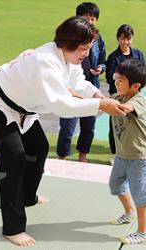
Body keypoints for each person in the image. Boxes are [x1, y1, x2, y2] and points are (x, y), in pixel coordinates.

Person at [0, 16, 128, 247]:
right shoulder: (45, 61)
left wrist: (97, 95)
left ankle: (26, 197)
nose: (86, 53)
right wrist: (101, 105)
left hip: (23, 107)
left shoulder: (67, 58)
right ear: (69, 44)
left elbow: (78, 83)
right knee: (14, 158)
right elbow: (61, 106)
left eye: (88, 48)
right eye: (84, 48)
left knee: (38, 147)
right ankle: (13, 227)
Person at [109, 59, 146, 244]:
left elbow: (127, 109)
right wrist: (75, 95)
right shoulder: (116, 97)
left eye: (121, 80)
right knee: (115, 186)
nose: (116, 83)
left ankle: (143, 232)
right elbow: (98, 100)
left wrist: (108, 105)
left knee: (140, 194)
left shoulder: (138, 99)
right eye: (115, 78)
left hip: (138, 157)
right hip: (121, 155)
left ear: (135, 86)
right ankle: (129, 212)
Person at [57, 2, 106, 163]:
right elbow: (64, 91)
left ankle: (82, 156)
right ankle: (61, 157)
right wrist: (98, 103)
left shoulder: (98, 39)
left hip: (87, 86)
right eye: (87, 18)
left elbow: (101, 61)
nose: (85, 53)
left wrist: (100, 69)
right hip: (69, 93)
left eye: (93, 19)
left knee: (88, 128)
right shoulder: (64, 50)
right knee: (67, 129)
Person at [106, 24, 146, 164]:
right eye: (123, 39)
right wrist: (120, 79)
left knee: (131, 127)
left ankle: (130, 151)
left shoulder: (138, 54)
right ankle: (115, 153)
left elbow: (143, 71)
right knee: (115, 126)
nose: (126, 42)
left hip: (132, 96)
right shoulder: (113, 56)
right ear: (118, 39)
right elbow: (109, 75)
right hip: (117, 95)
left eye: (129, 39)